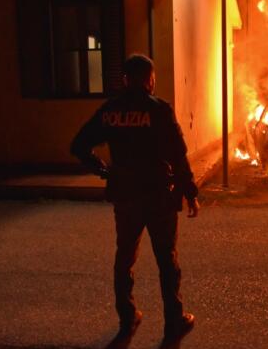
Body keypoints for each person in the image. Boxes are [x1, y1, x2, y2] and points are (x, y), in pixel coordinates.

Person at [70, 54, 199, 348]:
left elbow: (78, 145)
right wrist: (191, 193)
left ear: (125, 79)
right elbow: (178, 156)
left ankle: (128, 318)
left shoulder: (110, 111)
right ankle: (174, 323)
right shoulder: (159, 110)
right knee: (167, 261)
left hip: (126, 197)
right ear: (150, 79)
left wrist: (102, 169)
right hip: (158, 197)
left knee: (124, 257)